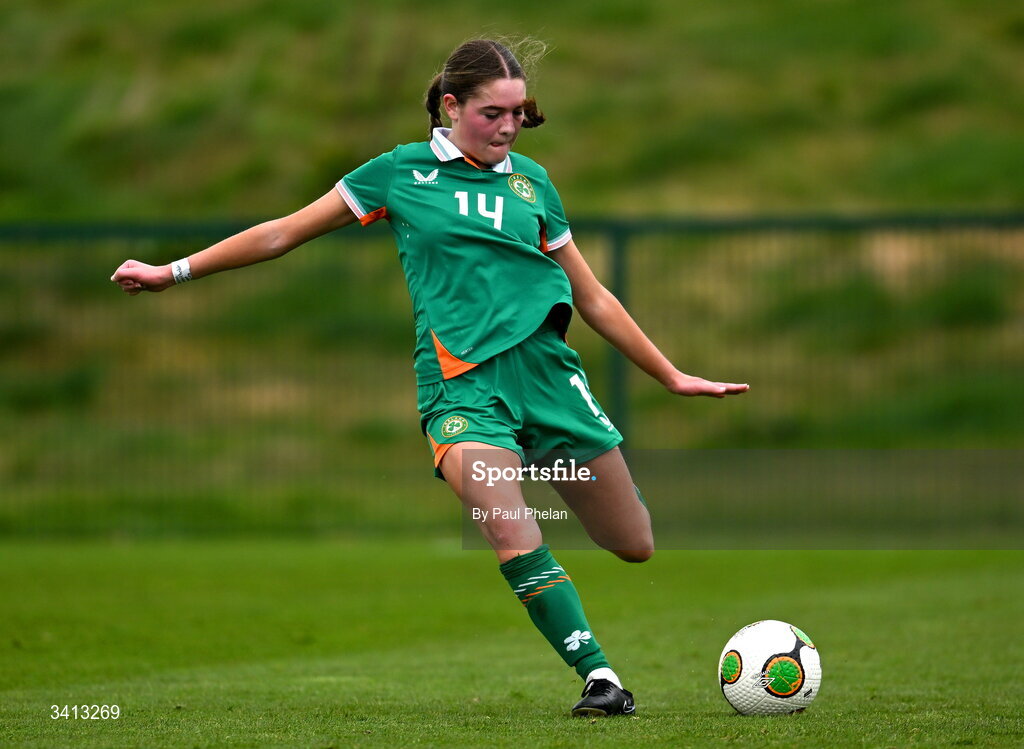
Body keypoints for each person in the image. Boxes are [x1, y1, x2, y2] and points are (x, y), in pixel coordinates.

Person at [111, 38, 748, 717]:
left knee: (633, 542)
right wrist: (171, 271)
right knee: (508, 524)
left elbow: (591, 296)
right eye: (491, 113)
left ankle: (537, 464)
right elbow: (281, 233)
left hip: (547, 377)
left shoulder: (532, 183)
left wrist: (671, 375)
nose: (507, 128)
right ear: (451, 106)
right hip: (461, 388)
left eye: (519, 114)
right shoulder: (399, 173)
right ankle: (599, 676)